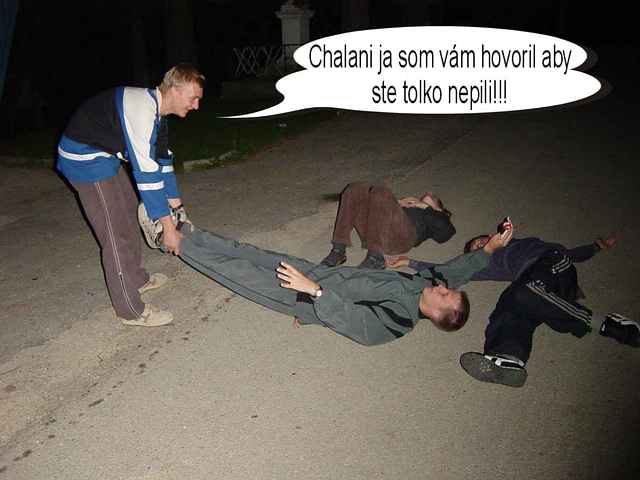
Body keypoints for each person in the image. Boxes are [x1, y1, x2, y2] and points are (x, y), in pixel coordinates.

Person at [137, 203, 513, 345]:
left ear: (436, 314)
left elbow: (355, 324)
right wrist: (492, 247)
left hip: (300, 293)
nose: (444, 288)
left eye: (446, 296)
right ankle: (186, 230)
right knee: (248, 252)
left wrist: (314, 296)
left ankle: (171, 241)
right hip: (314, 275)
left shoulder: (397, 322)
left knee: (234, 272)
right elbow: (457, 271)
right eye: (448, 290)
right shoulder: (426, 284)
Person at [387, 228, 639, 387]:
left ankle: (609, 325)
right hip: (536, 289)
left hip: (553, 264)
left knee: (522, 292)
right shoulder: (487, 264)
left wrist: (597, 247)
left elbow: (571, 254)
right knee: (509, 304)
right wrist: (411, 262)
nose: (480, 245)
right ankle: (508, 357)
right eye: (475, 249)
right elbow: (449, 271)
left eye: (481, 241)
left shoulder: (526, 245)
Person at [56, 64, 205, 327]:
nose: (196, 106)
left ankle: (136, 278)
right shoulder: (143, 112)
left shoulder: (159, 114)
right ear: (175, 89)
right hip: (84, 160)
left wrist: (179, 210)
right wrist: (169, 229)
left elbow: (163, 165)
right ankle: (130, 310)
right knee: (116, 232)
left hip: (104, 154)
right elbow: (147, 178)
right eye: (193, 98)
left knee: (127, 211)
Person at [321, 182, 455, 270]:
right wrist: (398, 203)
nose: (429, 194)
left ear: (439, 208)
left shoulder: (437, 216)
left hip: (401, 238)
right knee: (354, 188)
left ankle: (375, 258)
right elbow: (378, 207)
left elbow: (446, 234)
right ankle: (338, 251)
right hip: (375, 232)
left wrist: (425, 207)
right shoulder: (409, 206)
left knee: (381, 191)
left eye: (433, 198)